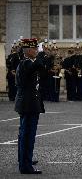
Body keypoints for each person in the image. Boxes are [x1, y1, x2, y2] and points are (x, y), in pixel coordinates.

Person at [15, 38, 44, 174]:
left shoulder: (27, 63)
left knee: (25, 134)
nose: (37, 51)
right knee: (28, 135)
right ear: (29, 51)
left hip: (29, 104)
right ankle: (25, 166)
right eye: (36, 49)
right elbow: (38, 65)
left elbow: (40, 68)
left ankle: (25, 160)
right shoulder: (26, 63)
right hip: (28, 105)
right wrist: (42, 55)